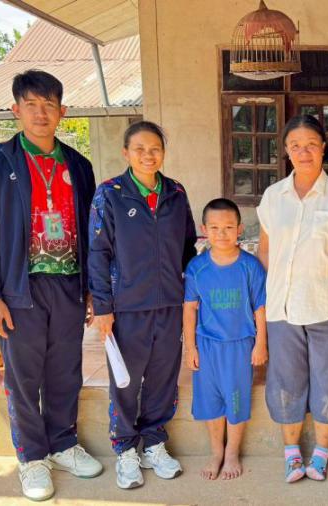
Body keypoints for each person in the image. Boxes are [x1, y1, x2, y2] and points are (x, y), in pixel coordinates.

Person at [0, 70, 102, 501]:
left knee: (65, 370)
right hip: (19, 288)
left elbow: (92, 231)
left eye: (49, 105)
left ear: (63, 112)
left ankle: (63, 444)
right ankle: (32, 458)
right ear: (16, 110)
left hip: (68, 284)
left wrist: (91, 287)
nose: (40, 114)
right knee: (24, 376)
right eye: (31, 105)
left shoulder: (78, 165)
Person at [88, 121, 197, 489]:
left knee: (164, 377)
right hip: (126, 307)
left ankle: (153, 442)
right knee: (126, 380)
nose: (148, 156)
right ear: (126, 153)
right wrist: (103, 306)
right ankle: (124, 449)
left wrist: (192, 294)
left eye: (155, 149)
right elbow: (98, 253)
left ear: (163, 153)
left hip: (170, 303)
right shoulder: (110, 194)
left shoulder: (176, 193)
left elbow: (187, 247)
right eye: (140, 149)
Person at [256, 115, 328, 483]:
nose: (304, 152)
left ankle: (320, 452)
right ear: (286, 151)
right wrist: (265, 298)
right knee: (285, 379)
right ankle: (291, 453)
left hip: (327, 305)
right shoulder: (273, 197)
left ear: (323, 149)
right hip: (282, 307)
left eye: (311, 145)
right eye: (295, 146)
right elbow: (265, 251)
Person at [183, 198, 268, 481]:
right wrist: (190, 347)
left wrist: (260, 343)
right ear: (203, 229)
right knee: (211, 401)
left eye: (229, 227)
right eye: (215, 227)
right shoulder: (197, 267)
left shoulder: (250, 266)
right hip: (207, 345)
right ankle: (216, 451)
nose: (222, 233)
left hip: (240, 345)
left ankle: (232, 452)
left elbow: (260, 308)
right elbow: (190, 308)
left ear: (240, 229)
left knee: (236, 399)